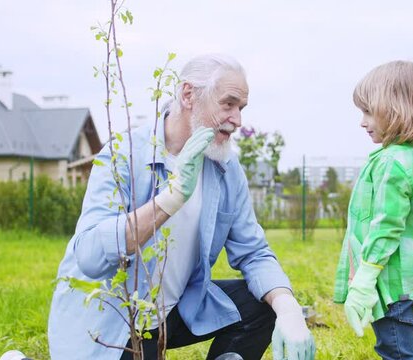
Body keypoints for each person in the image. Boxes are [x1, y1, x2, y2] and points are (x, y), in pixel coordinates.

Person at [48, 54, 315, 360]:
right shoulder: (124, 155)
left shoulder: (225, 167)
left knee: (263, 306)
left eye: (241, 108)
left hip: (174, 309)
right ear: (189, 95)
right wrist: (170, 198)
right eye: (228, 104)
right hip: (115, 321)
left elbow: (253, 252)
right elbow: (89, 256)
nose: (238, 119)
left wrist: (288, 308)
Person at [333, 60, 413, 359]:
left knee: (395, 351)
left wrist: (366, 276)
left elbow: (387, 225)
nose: (362, 121)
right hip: (400, 281)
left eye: (368, 111)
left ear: (396, 109)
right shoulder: (411, 155)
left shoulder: (392, 162)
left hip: (387, 281)